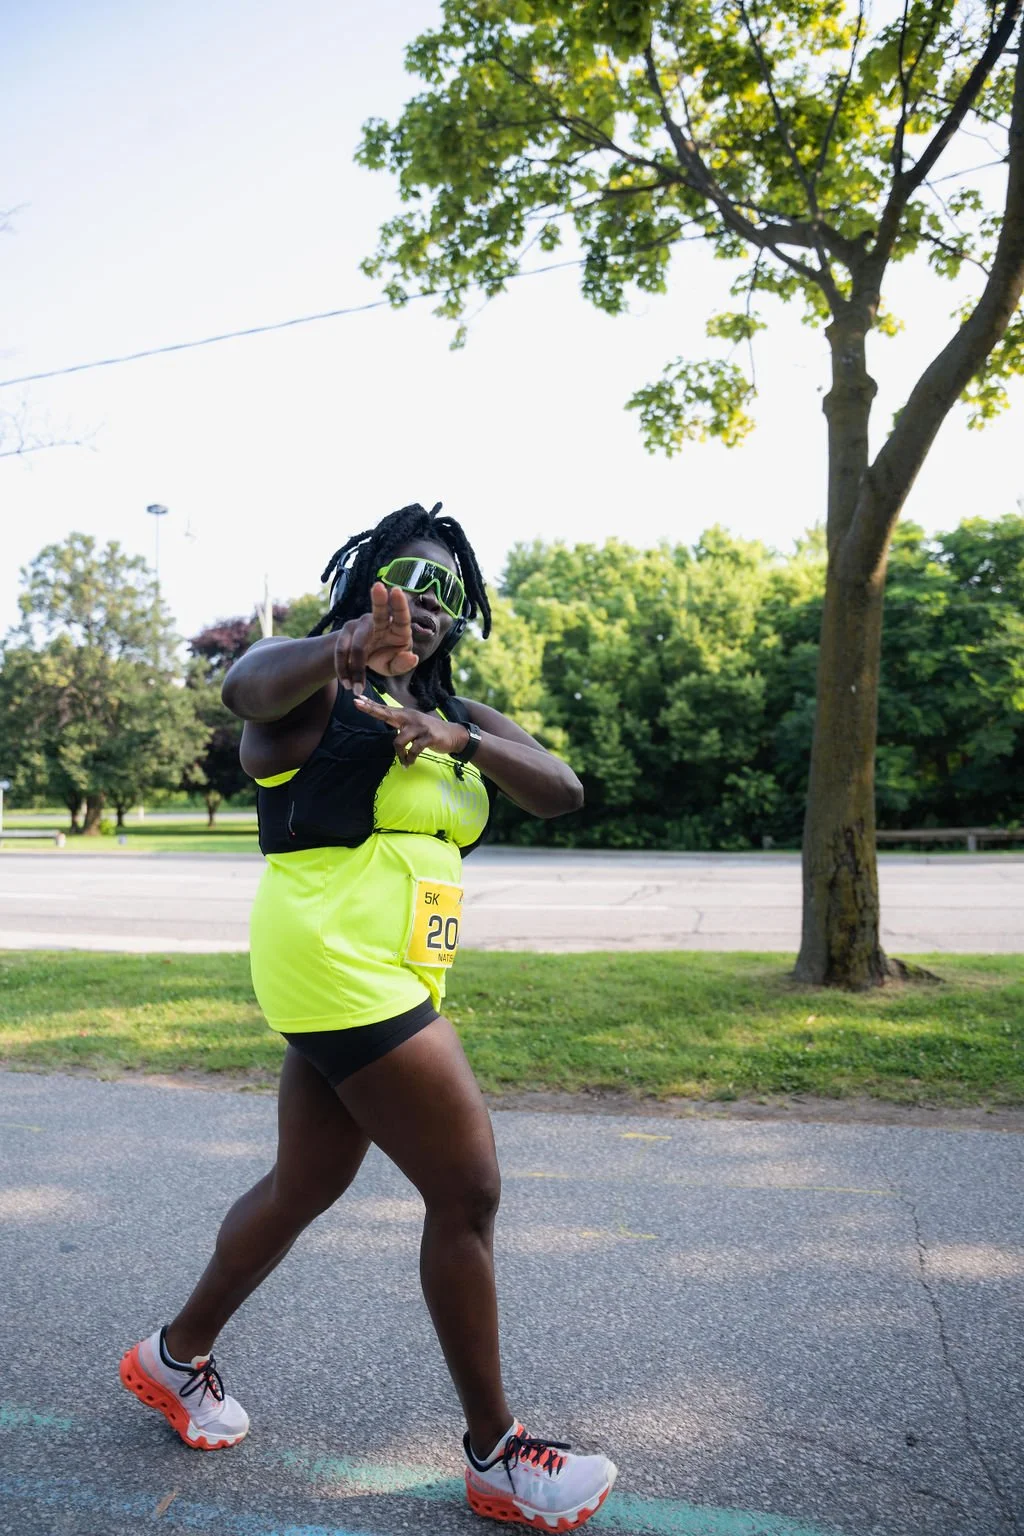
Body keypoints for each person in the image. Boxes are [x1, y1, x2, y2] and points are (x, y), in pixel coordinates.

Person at [119, 503, 617, 1531]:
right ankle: (496, 1456)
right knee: (467, 1188)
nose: (425, 604)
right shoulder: (311, 690)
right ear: (362, 586)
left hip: (397, 972)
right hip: (336, 964)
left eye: (446, 591)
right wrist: (343, 648)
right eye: (406, 580)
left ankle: (173, 1357)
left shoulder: (456, 714)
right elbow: (240, 684)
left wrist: (456, 738)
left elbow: (563, 789)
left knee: (307, 1180)